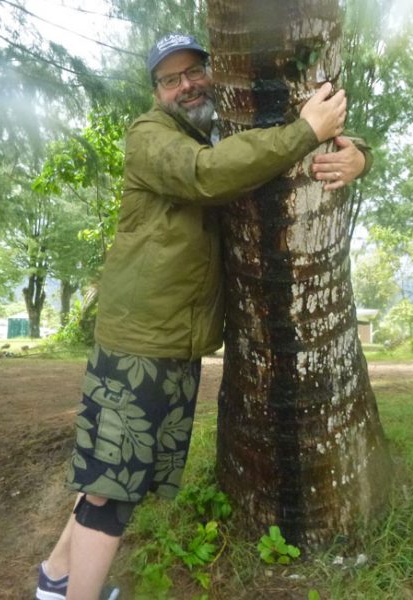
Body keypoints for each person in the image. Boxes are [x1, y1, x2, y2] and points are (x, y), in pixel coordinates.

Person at [35, 33, 371, 600]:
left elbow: (272, 134)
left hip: (174, 340)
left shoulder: (211, 129)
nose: (187, 84)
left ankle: (55, 579)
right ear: (157, 93)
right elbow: (207, 174)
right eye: (171, 78)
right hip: (140, 340)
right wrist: (303, 133)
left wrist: (356, 152)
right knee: (110, 489)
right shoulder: (151, 137)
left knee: (114, 475)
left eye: (195, 71)